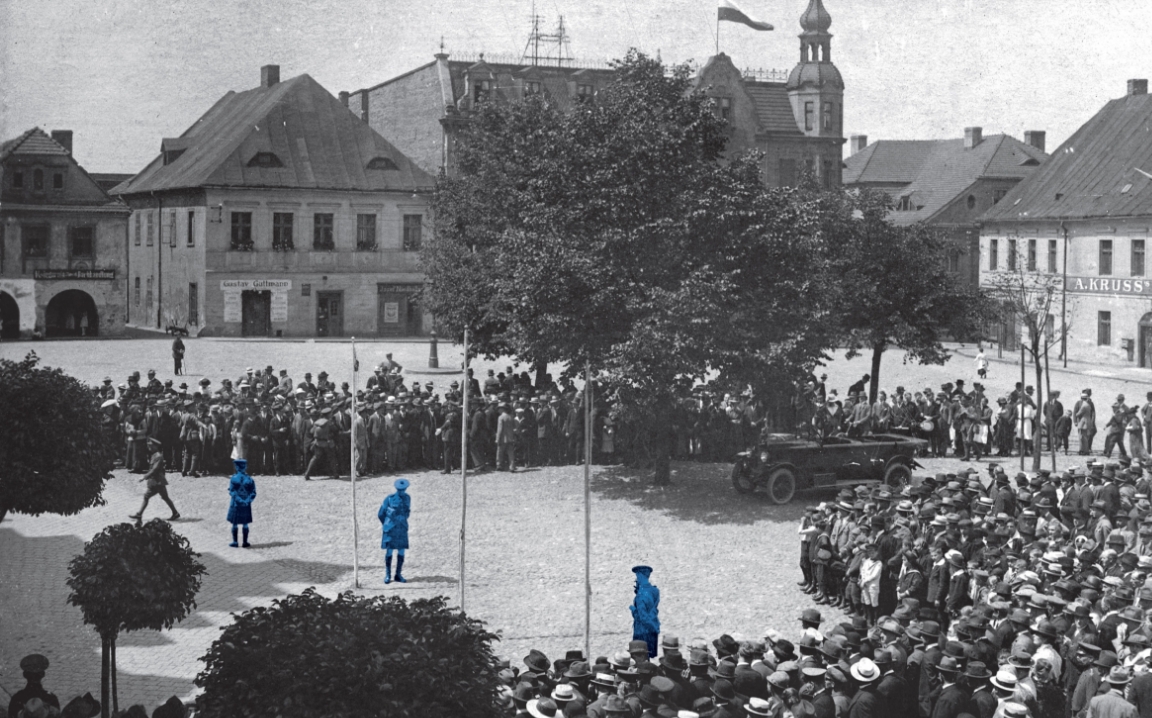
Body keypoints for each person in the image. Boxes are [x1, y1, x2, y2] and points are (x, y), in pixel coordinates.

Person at [129, 437, 179, 524]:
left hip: (157, 482)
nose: (149, 448)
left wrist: (144, 477)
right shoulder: (154, 455)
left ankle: (139, 514)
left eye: (150, 446)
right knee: (164, 497)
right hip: (156, 481)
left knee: (147, 496)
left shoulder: (158, 456)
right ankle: (175, 513)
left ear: (155, 446)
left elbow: (154, 469)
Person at [379, 478, 411, 584]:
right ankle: (388, 575)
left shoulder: (407, 498)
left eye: (403, 490)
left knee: (401, 551)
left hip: (401, 528)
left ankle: (398, 574)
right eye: (400, 490)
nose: (401, 491)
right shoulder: (389, 498)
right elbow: (381, 513)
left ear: (406, 489)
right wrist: (387, 523)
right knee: (389, 551)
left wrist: (402, 519)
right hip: (391, 529)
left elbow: (407, 512)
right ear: (396, 489)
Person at [630, 565, 660, 659]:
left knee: (640, 657)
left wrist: (634, 610)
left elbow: (642, 617)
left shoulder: (640, 595)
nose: (636, 579)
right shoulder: (655, 590)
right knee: (648, 656)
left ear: (640, 575)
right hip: (653, 628)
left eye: (637, 576)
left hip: (642, 632)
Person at [227, 458, 256, 548]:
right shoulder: (250, 479)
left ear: (237, 467)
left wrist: (240, 500)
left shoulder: (233, 479)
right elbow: (253, 492)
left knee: (234, 523)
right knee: (245, 523)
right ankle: (245, 542)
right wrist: (247, 501)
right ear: (245, 467)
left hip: (236, 504)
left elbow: (232, 492)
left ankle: (235, 542)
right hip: (246, 505)